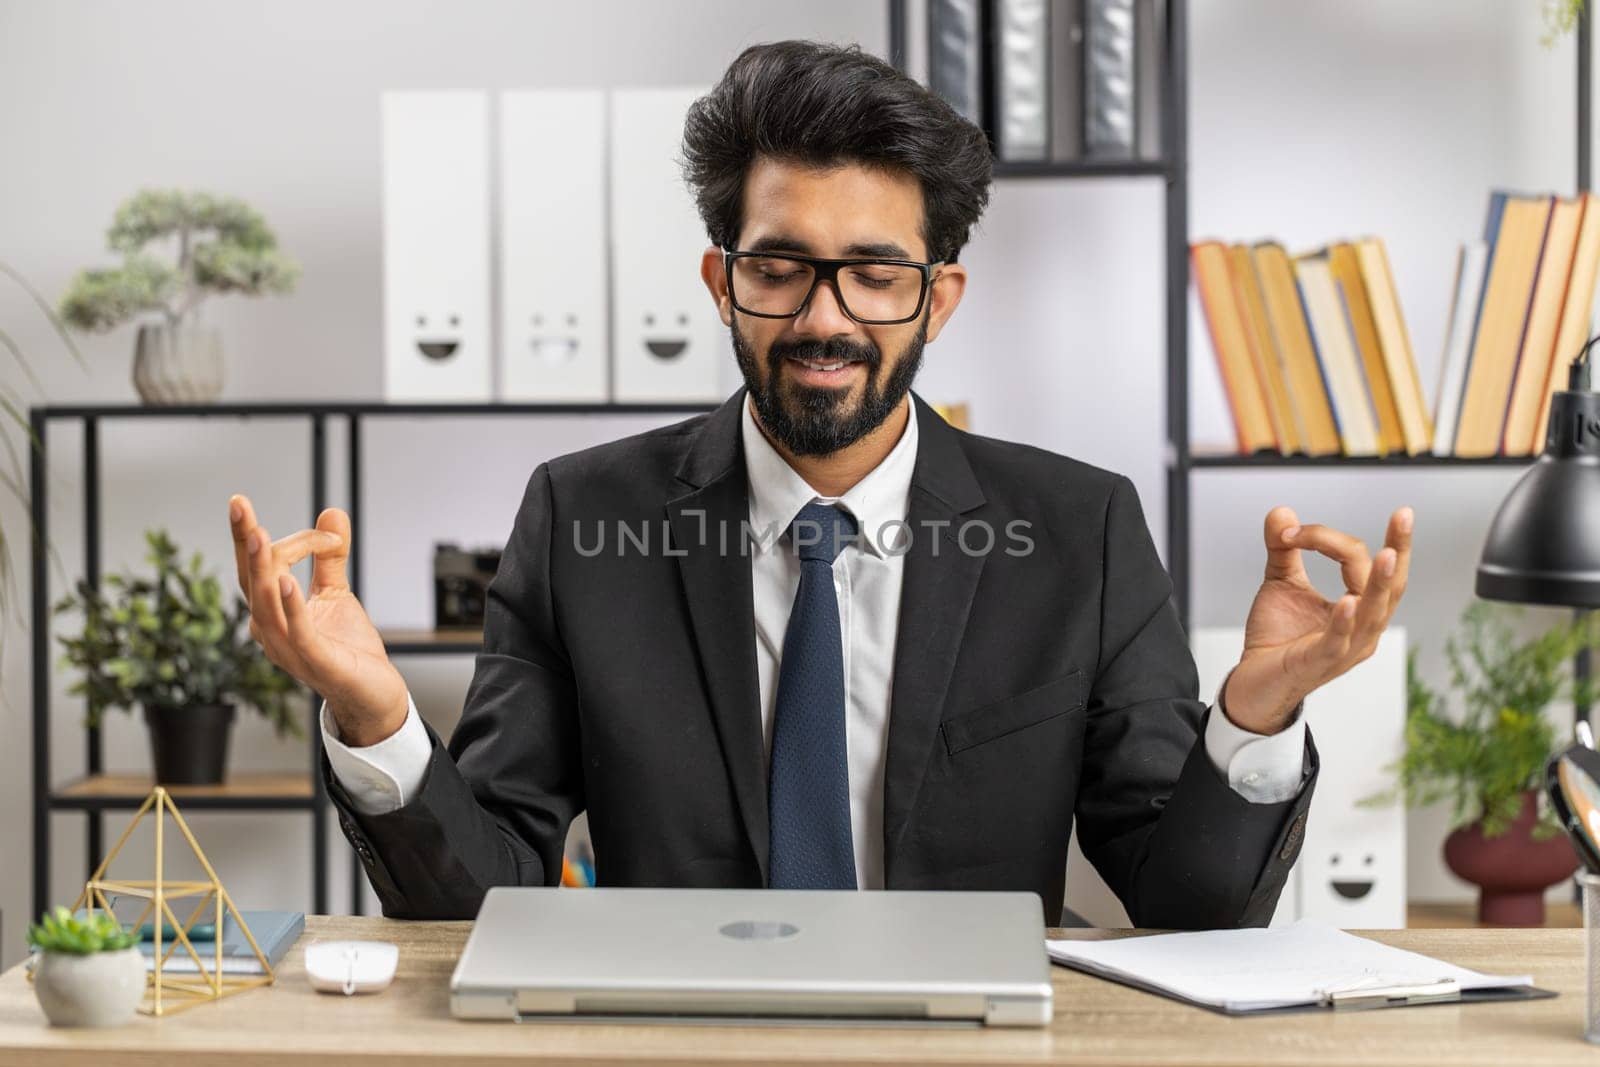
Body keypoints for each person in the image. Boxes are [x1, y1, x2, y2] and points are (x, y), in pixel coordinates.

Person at [227, 40, 1412, 927]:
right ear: (721, 279)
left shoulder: (1077, 529)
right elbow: (486, 899)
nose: (825, 317)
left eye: (874, 274)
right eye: (782, 267)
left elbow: (1188, 910)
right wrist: (378, 714)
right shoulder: (583, 517)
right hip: (682, 1051)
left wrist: (1254, 714)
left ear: (937, 296)